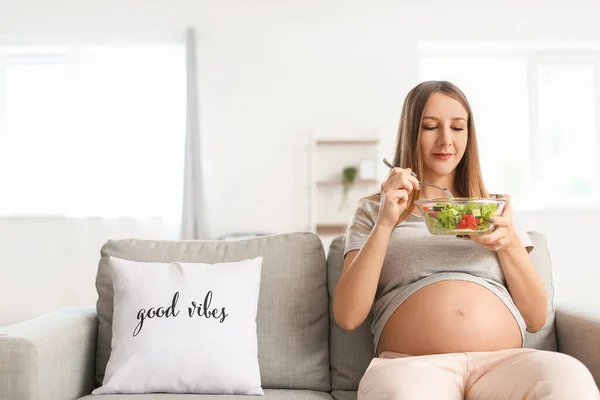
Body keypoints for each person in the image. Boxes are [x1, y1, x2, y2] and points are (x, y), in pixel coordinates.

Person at [333, 80, 600, 399]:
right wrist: (386, 222)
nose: (446, 140)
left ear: (469, 135)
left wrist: (509, 244)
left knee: (569, 381)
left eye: (457, 128)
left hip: (506, 364)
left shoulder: (497, 209)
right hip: (412, 368)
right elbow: (348, 316)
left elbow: (536, 318)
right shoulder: (374, 210)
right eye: (430, 126)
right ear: (410, 133)